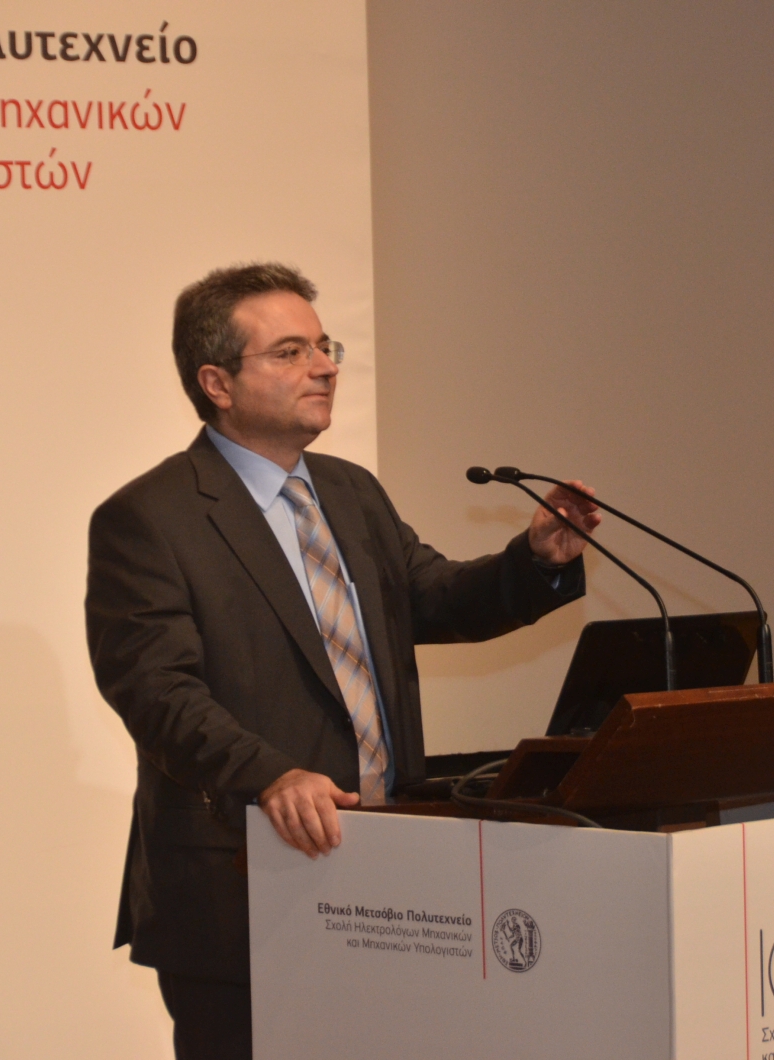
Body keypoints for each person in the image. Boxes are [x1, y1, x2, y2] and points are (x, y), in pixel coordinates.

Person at [84, 263, 599, 1060]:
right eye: (291, 352)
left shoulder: (350, 492)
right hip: (242, 884)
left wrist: (535, 559)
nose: (324, 367)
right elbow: (155, 691)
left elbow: (433, 598)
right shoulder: (150, 518)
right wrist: (270, 775)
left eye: (326, 347)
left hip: (386, 877)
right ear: (217, 383)